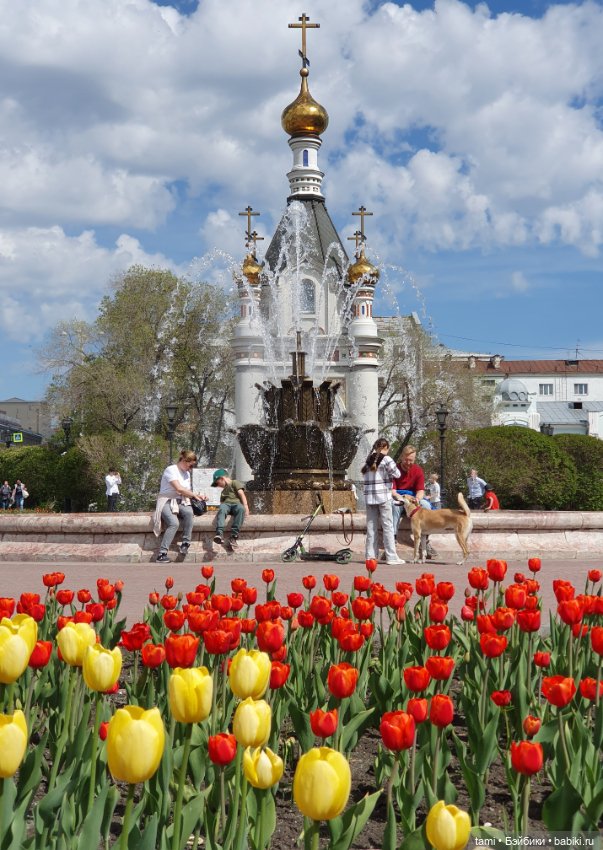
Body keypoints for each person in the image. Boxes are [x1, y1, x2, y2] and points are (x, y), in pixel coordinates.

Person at [153, 450, 208, 563]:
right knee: (174, 523)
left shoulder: (187, 474)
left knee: (189, 513)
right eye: (191, 465)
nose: (191, 468)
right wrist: (194, 496)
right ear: (184, 460)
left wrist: (199, 496)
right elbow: (179, 489)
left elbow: (186, 491)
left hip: (181, 501)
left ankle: (185, 543)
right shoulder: (171, 470)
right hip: (166, 500)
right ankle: (162, 554)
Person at [362, 438, 405, 566]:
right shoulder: (387, 460)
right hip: (384, 497)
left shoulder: (369, 459)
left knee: (371, 528)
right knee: (388, 527)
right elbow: (397, 474)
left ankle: (370, 556)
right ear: (387, 447)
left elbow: (363, 473)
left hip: (370, 498)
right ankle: (391, 556)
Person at [391, 445, 437, 559]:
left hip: (412, 499)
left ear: (414, 459)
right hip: (399, 497)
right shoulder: (394, 469)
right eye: (406, 459)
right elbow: (392, 490)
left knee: (426, 505)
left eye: (411, 460)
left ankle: (425, 540)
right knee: (394, 506)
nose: (408, 462)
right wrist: (399, 497)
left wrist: (417, 499)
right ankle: (393, 539)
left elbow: (420, 490)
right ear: (402, 457)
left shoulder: (418, 470)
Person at [212, 469, 249, 550]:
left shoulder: (234, 482)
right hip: (226, 505)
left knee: (241, 509)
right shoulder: (223, 492)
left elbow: (241, 494)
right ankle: (219, 534)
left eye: (217, 483)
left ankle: (233, 536)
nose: (218, 485)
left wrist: (246, 506)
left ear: (222, 478)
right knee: (222, 508)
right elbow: (222, 503)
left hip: (236, 504)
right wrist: (221, 509)